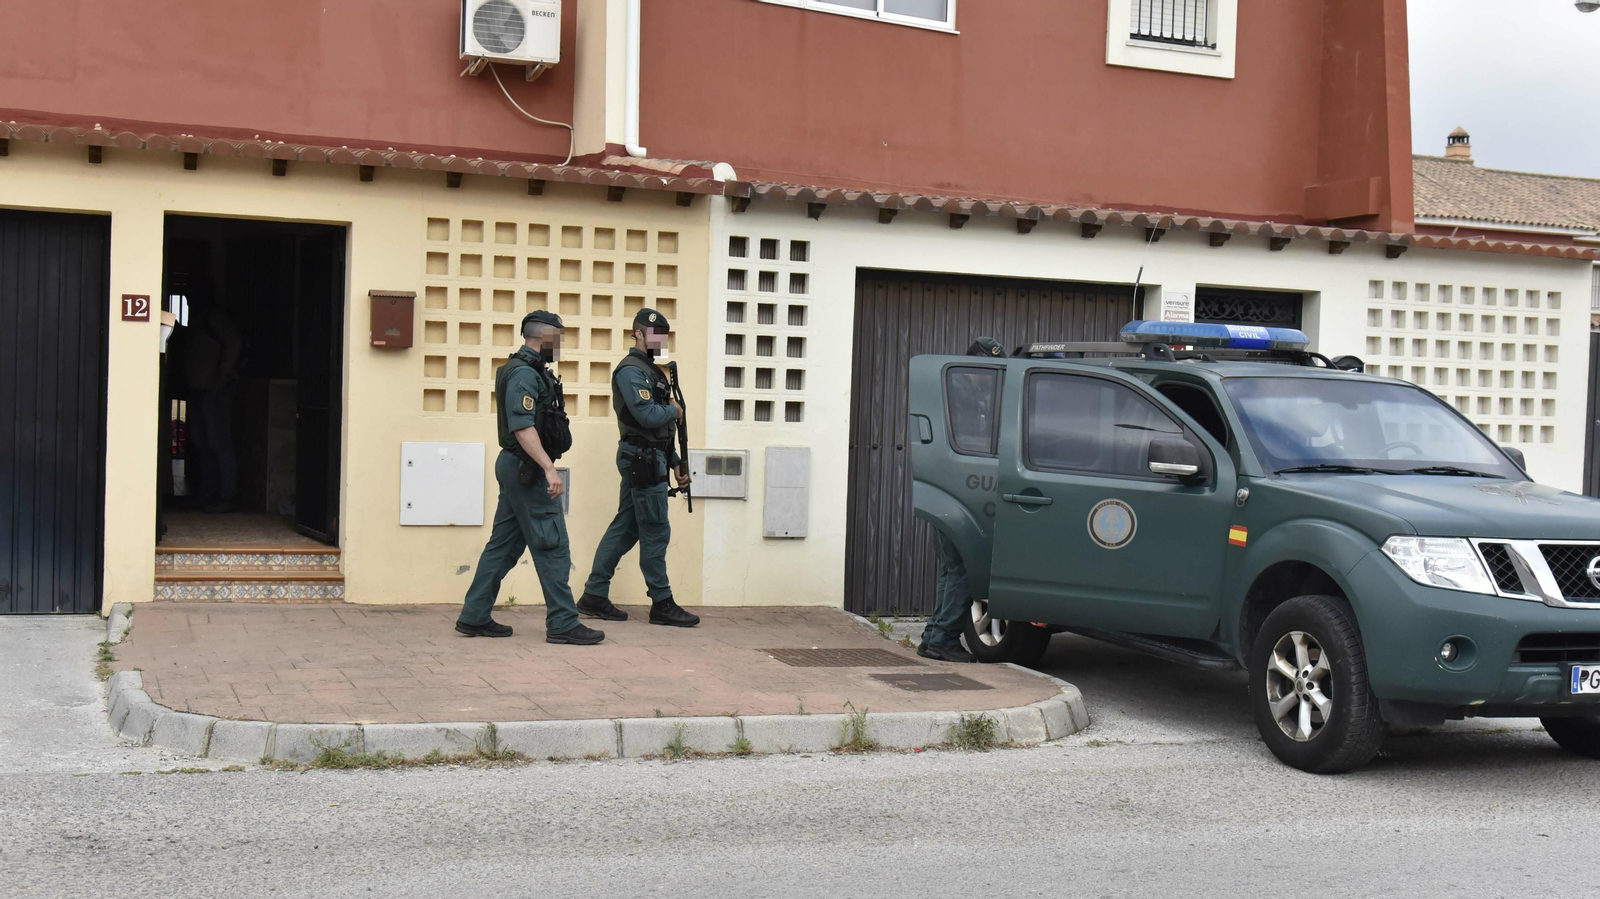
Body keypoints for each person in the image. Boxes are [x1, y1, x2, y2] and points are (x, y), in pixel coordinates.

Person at [455, 310, 604, 645]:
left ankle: (474, 615)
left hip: (517, 467)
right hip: (527, 469)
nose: (560, 346)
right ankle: (563, 622)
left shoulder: (528, 369)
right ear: (543, 337)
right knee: (552, 544)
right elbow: (522, 426)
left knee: (503, 547)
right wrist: (549, 468)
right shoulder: (524, 373)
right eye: (558, 339)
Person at [575, 307, 699, 628]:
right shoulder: (631, 371)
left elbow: (660, 431)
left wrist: (674, 462)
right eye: (656, 335)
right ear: (639, 334)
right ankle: (662, 603)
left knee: (626, 528)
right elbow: (647, 416)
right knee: (655, 530)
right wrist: (674, 410)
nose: (661, 341)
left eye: (664, 337)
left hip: (651, 458)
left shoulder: (652, 371)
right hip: (642, 461)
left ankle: (594, 595)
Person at [919, 336, 1008, 664]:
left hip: (948, 491)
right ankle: (943, 639)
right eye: (988, 370)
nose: (991, 378)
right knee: (964, 570)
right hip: (959, 491)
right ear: (976, 365)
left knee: (953, 567)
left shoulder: (958, 391)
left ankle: (933, 637)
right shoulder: (960, 395)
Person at [183, 301, 244, 514]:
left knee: (218, 442)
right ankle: (207, 494)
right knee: (203, 443)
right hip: (200, 387)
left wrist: (222, 373)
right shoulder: (202, 318)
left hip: (215, 388)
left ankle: (225, 495)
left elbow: (234, 343)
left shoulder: (215, 318)